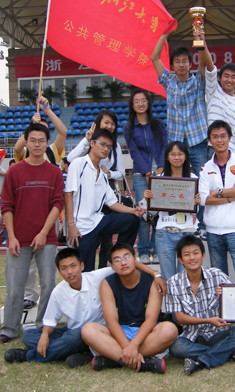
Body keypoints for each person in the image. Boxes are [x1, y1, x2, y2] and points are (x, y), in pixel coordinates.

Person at [3, 247, 165, 366]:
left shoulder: (96, 277)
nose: (70, 272)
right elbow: (50, 321)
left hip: (97, 332)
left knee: (74, 337)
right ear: (59, 272)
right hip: (73, 330)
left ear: (81, 266)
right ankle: (79, 352)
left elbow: (127, 264)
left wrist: (155, 274)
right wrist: (45, 335)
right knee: (29, 336)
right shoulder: (58, 292)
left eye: (73, 266)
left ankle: (30, 355)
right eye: (64, 268)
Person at [0, 123, 64, 344]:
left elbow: (57, 204)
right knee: (15, 287)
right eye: (33, 140)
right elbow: (7, 205)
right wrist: (11, 237)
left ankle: (42, 327)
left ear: (47, 143)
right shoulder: (14, 171)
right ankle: (9, 329)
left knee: (48, 286)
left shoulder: (54, 172)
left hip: (47, 239)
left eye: (41, 141)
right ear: (26, 143)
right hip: (19, 239)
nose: (37, 144)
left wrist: (44, 233)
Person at [80, 243, 178, 373]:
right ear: (112, 266)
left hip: (147, 333)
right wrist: (128, 347)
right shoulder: (107, 284)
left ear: (135, 260)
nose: (123, 263)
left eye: (127, 257)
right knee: (88, 330)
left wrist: (134, 345)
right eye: (117, 260)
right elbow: (111, 322)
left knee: (170, 330)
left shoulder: (152, 282)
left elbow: (151, 319)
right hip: (121, 332)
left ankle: (116, 359)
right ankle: (143, 363)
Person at [165, 235, 235, 376]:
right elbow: (180, 318)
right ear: (180, 260)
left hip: (217, 333)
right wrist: (207, 320)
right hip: (192, 336)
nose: (192, 258)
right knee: (176, 348)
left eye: (195, 253)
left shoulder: (217, 275)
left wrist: (226, 296)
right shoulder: (173, 283)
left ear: (203, 255)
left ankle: (201, 362)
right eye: (186, 254)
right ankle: (226, 353)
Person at [65, 129, 143, 272]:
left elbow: (112, 203)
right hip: (81, 227)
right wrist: (71, 225)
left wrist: (134, 210)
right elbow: (68, 194)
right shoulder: (78, 163)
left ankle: (118, 256)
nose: (106, 149)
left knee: (132, 220)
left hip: (98, 221)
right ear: (92, 143)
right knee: (86, 272)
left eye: (109, 147)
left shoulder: (102, 173)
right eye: (103, 144)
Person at [68, 109, 126, 269]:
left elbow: (121, 173)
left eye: (113, 124)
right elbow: (70, 159)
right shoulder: (90, 142)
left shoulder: (116, 146)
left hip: (106, 191)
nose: (110, 126)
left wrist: (109, 173)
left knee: (107, 240)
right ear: (98, 123)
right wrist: (86, 139)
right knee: (92, 238)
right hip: (87, 195)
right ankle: (87, 269)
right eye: (106, 122)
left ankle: (104, 269)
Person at [199, 120, 235, 284]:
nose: (219, 140)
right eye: (215, 137)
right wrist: (230, 196)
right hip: (213, 231)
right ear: (210, 140)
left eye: (223, 136)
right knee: (220, 281)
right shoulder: (205, 168)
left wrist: (217, 193)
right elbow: (204, 199)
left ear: (230, 138)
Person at [151, 30, 208, 179]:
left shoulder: (198, 82)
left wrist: (200, 40)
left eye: (184, 61)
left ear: (190, 64)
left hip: (198, 141)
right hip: (176, 143)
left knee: (203, 180)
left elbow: (204, 63)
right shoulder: (168, 81)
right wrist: (164, 34)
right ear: (172, 65)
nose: (181, 64)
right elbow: (154, 58)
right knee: (176, 181)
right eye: (177, 61)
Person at [143, 141, 200, 281]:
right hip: (164, 233)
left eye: (180, 154)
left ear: (185, 156)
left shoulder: (193, 179)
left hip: (186, 232)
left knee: (186, 278)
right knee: (168, 279)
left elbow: (194, 212)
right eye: (173, 154)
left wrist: (197, 203)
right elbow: (152, 213)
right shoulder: (158, 180)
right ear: (167, 157)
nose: (177, 157)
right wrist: (147, 200)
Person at [124, 88, 167, 265]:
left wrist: (160, 170)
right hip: (141, 175)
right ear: (132, 105)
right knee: (144, 214)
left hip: (160, 173)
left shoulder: (159, 124)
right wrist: (148, 173)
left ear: (148, 103)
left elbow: (164, 146)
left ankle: (156, 250)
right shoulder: (129, 127)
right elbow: (134, 152)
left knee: (158, 213)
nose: (140, 104)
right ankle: (142, 250)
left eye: (143, 100)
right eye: (137, 101)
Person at [201, 58, 235, 157]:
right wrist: (202, 48)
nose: (229, 80)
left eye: (233, 77)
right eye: (226, 76)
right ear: (219, 78)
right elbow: (209, 68)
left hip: (234, 153)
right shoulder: (213, 92)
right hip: (213, 151)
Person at [14, 96, 67, 166]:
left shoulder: (52, 151)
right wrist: (33, 125)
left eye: (44, 129)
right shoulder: (27, 152)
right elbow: (17, 148)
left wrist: (47, 109)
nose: (40, 132)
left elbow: (63, 132)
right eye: (38, 128)